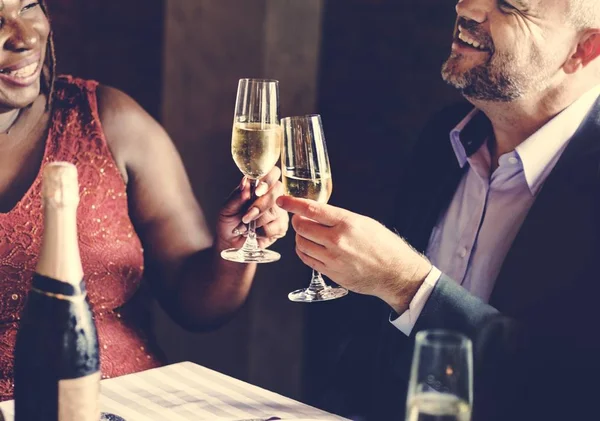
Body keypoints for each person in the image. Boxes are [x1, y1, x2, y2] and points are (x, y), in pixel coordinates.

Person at [277, 0, 600, 419]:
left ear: (584, 50)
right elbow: (369, 350)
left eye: (508, 5)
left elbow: (575, 389)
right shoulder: (443, 136)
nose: (466, 7)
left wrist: (409, 285)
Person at [0, 0, 288, 400]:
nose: (27, 35)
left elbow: (198, 308)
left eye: (28, 5)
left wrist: (233, 244)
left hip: (130, 403)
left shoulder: (109, 120)